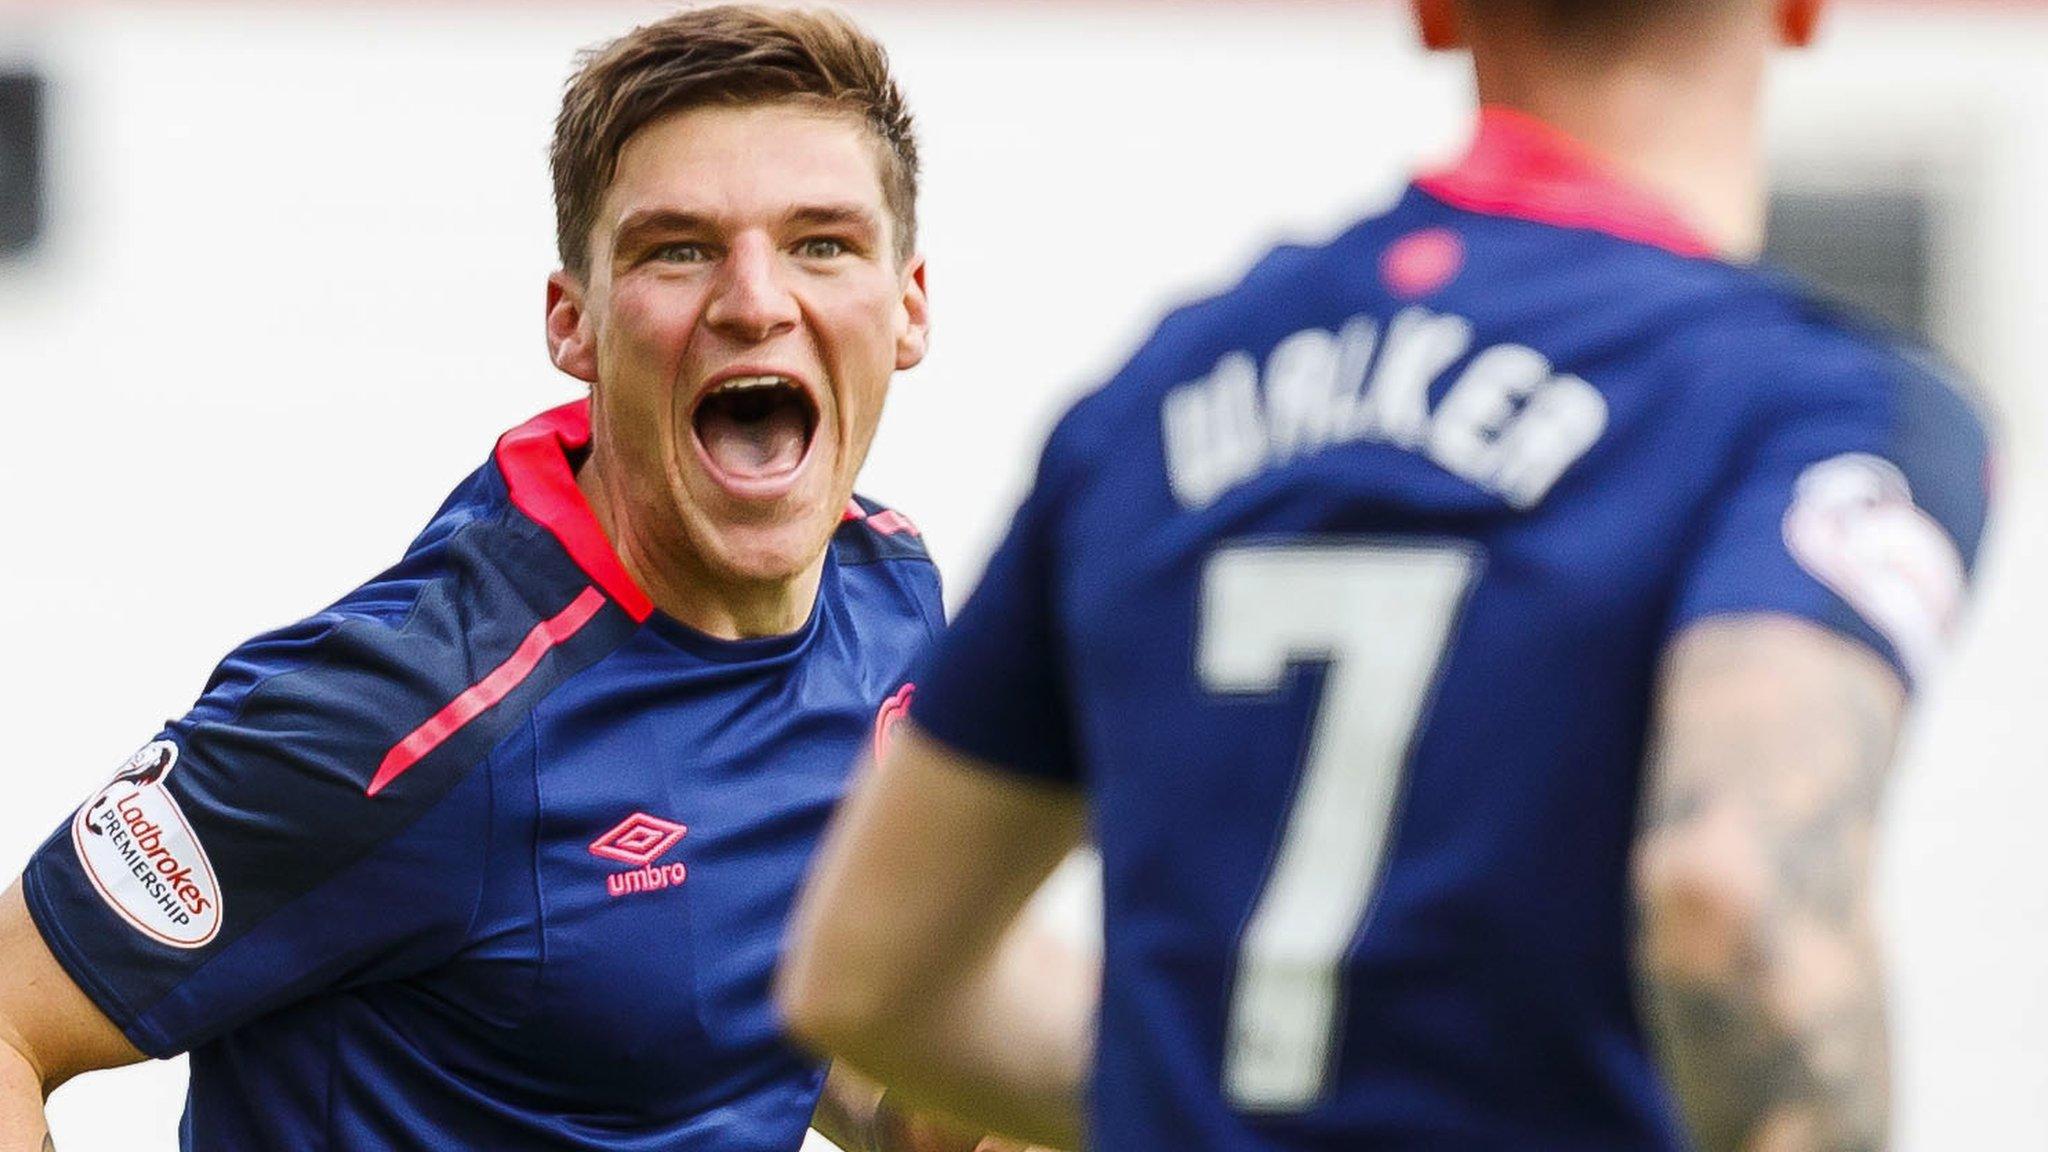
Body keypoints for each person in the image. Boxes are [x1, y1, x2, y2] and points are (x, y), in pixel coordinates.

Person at [778, 1, 1995, 1149]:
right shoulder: (1819, 402)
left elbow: (867, 970)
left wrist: (1208, 1092)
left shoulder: (1160, 392)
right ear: (1799, 11)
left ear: (1431, 11)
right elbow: (1734, 901)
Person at [0, 7, 1001, 1150]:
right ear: (573, 323)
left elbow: (782, 1039)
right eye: (678, 248)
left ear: (908, 303)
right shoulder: (406, 712)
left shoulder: (889, 600)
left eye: (820, 243)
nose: (755, 300)